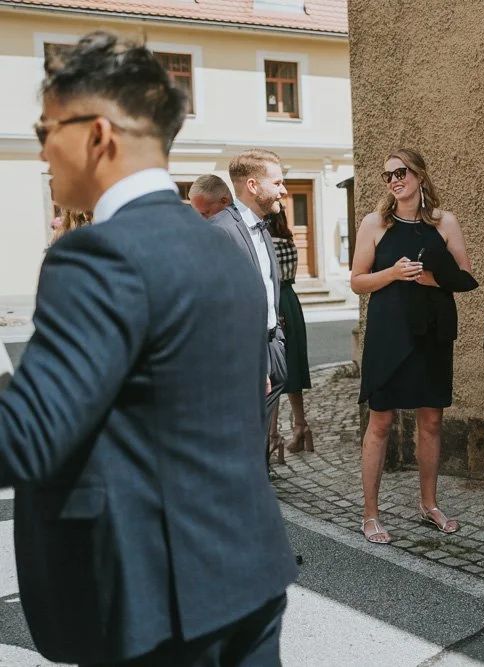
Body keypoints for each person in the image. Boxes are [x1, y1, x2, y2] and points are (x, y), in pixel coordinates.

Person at [0, 31, 295, 665]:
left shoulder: (99, 253)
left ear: (98, 135)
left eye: (47, 127)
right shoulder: (226, 247)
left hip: (159, 603)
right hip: (250, 571)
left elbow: (27, 438)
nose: (42, 149)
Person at [352, 148, 476, 544]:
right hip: (389, 334)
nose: (394, 180)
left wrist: (432, 280)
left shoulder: (445, 222)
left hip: (431, 333)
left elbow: (465, 276)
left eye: (401, 172)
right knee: (381, 421)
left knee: (432, 420)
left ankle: (429, 504)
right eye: (388, 175)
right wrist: (390, 273)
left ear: (420, 175)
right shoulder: (375, 224)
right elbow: (357, 281)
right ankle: (370, 514)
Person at [209, 149, 287, 460]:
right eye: (278, 182)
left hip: (272, 344)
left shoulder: (263, 226)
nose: (283, 190)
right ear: (253, 185)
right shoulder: (220, 231)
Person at [266, 202, 313, 464]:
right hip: (291, 303)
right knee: (292, 366)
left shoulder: (267, 244)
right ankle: (301, 426)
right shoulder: (289, 242)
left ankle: (273, 437)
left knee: (273, 371)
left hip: (275, 304)